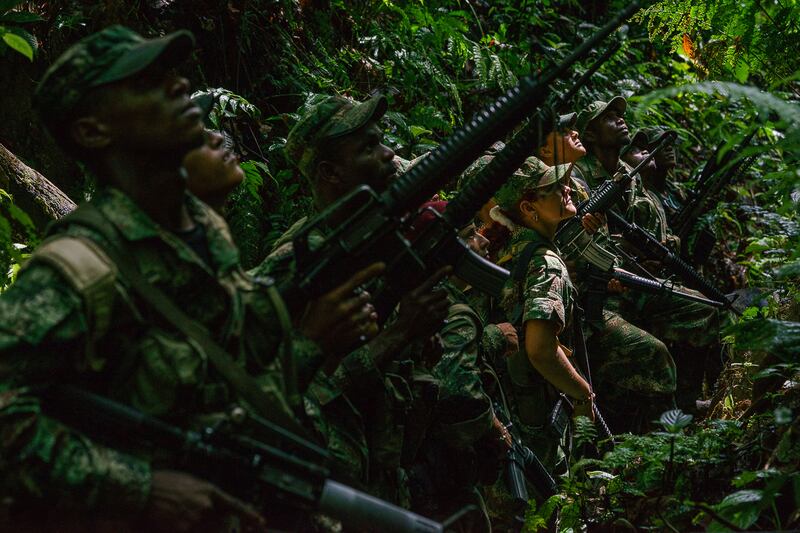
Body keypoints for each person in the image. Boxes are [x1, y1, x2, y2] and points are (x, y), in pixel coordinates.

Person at [0, 26, 382, 531]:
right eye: (148, 82)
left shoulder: (203, 231)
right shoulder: (79, 269)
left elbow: (234, 372)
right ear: (93, 131)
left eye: (175, 75)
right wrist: (141, 488)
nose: (180, 86)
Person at [250, 94, 452, 506]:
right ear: (330, 173)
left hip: (381, 472)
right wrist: (398, 335)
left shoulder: (374, 242)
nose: (389, 153)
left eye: (382, 140)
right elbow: (290, 396)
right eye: (367, 148)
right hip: (329, 488)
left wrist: (415, 342)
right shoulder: (299, 264)